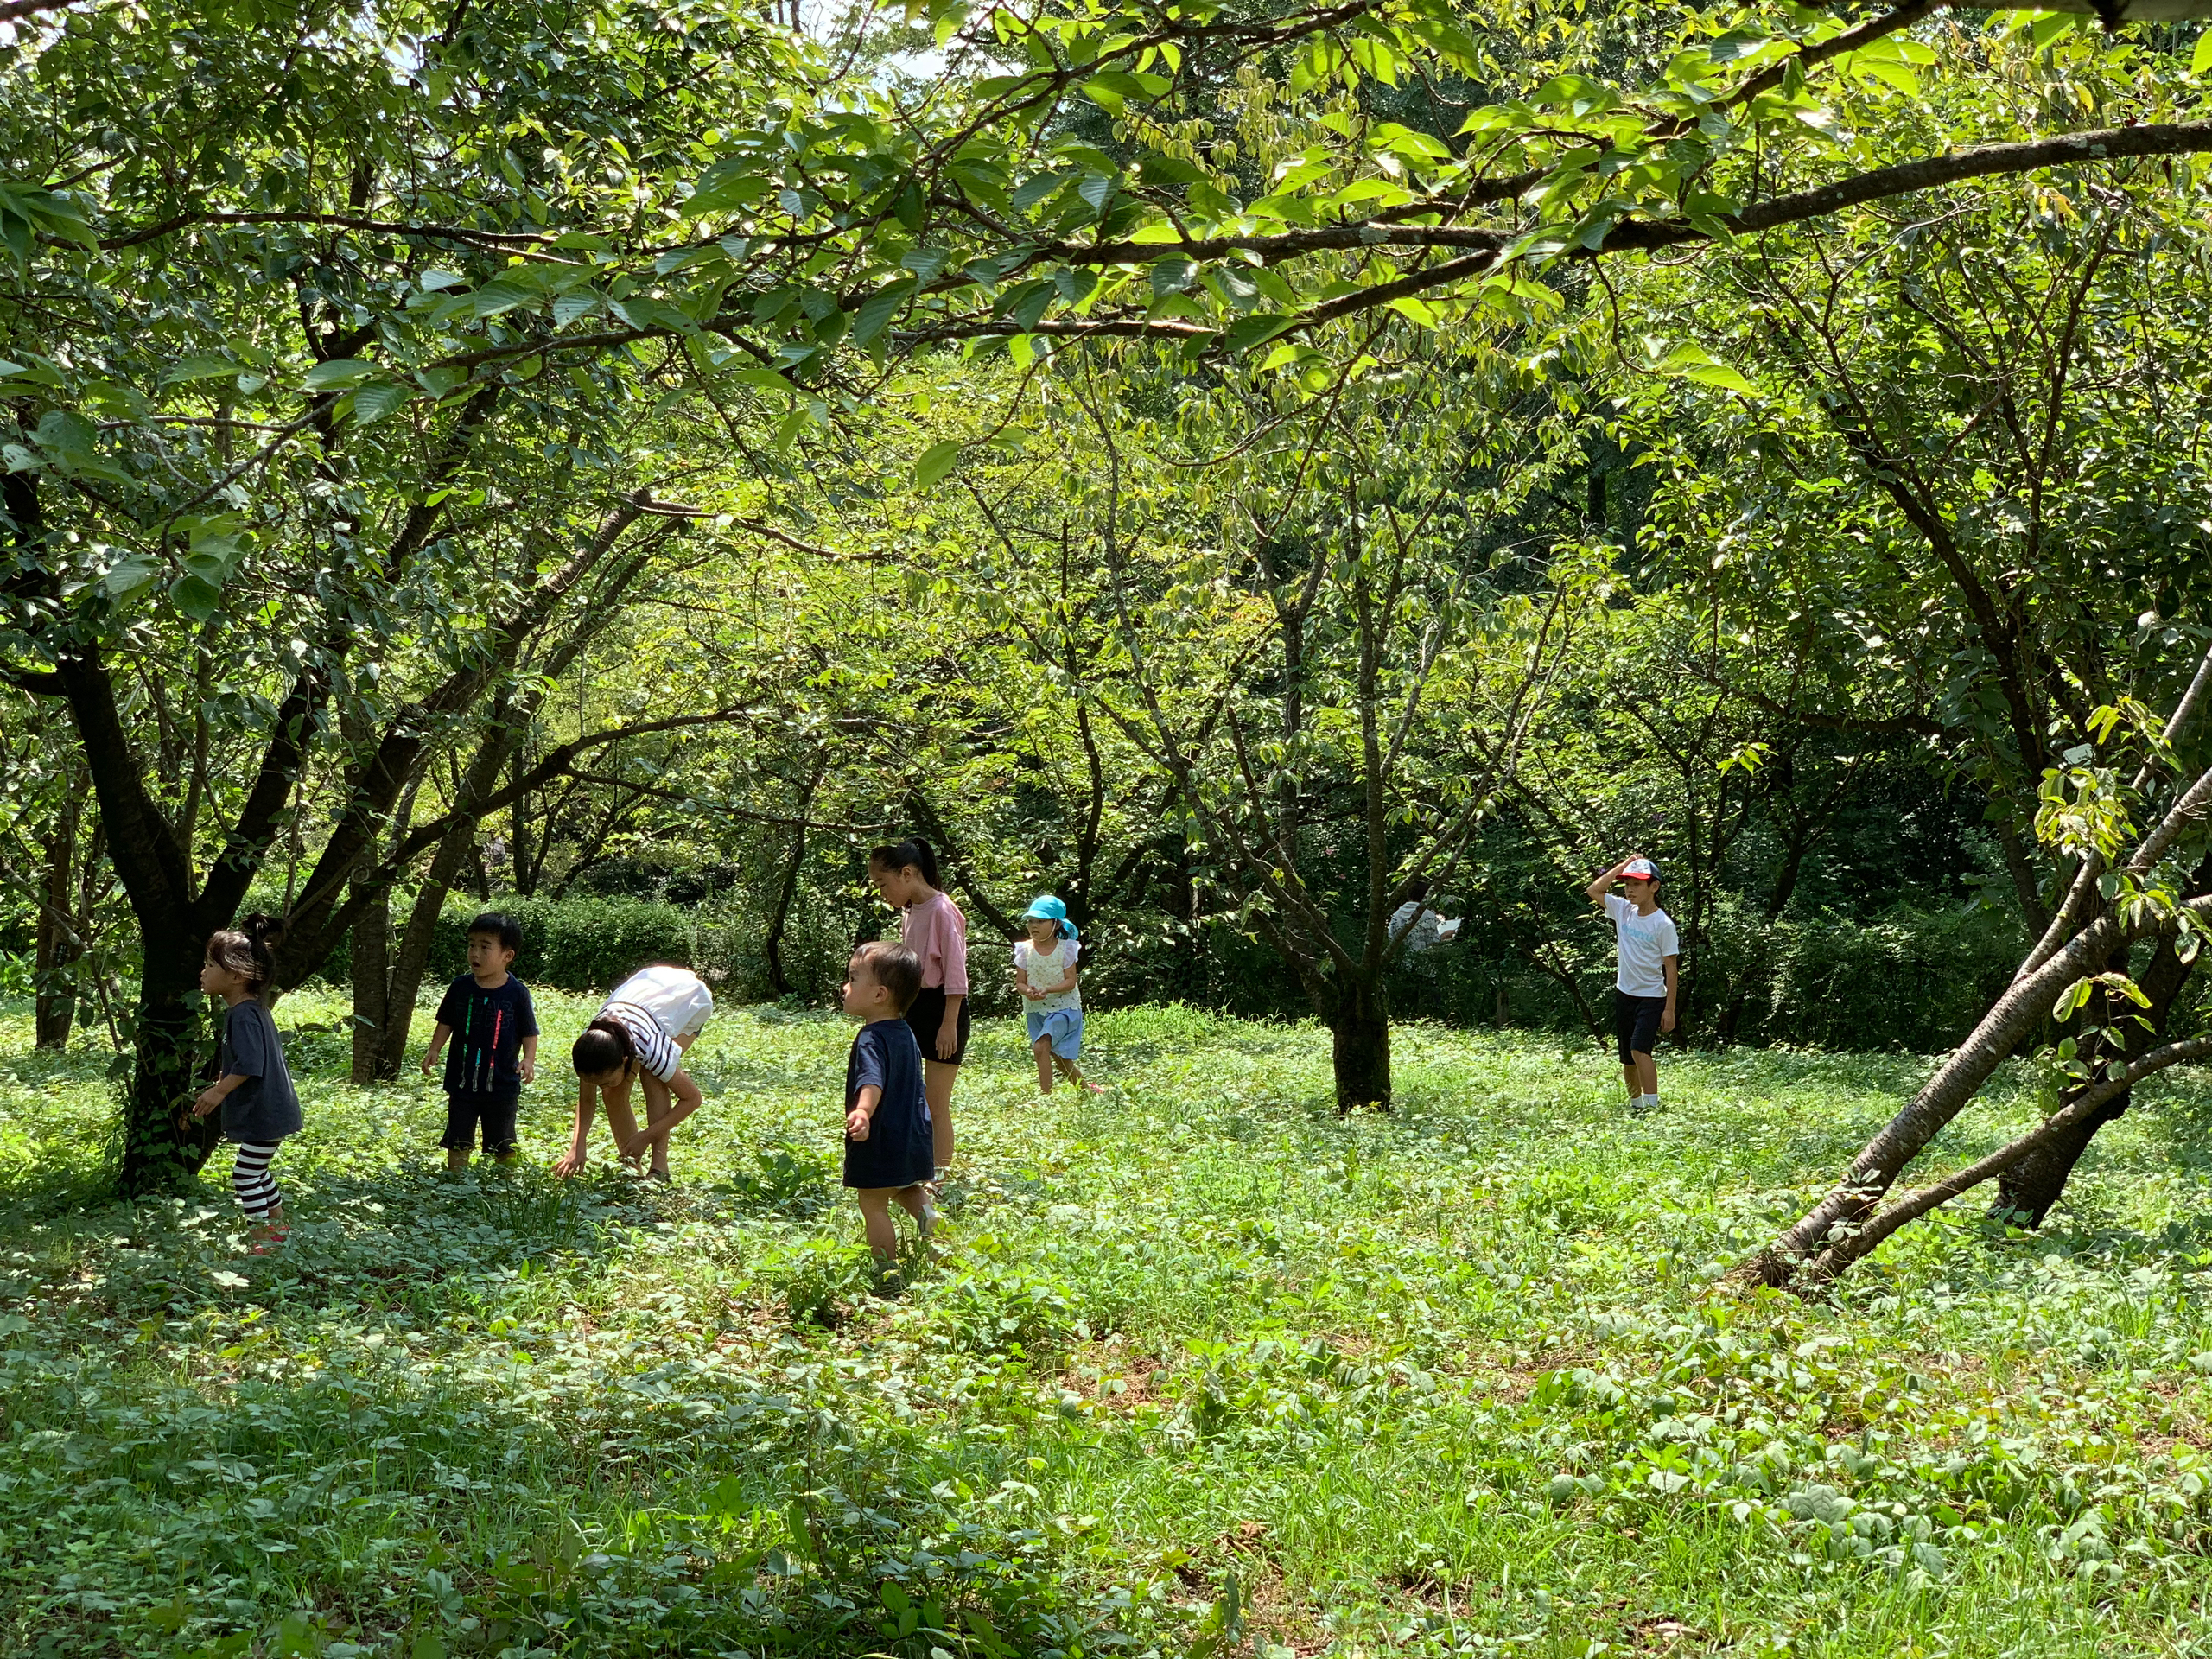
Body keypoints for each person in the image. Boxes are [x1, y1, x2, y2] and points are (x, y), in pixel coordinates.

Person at [186, 914, 302, 1249]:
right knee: (258, 1170)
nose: (203, 971)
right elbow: (247, 1059)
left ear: (236, 976)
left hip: (266, 1113)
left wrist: (218, 1091)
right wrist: (226, 1076)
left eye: (210, 965)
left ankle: (262, 1239)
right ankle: (277, 1227)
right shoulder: (250, 1010)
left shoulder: (242, 1014)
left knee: (245, 1176)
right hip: (273, 1111)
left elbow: (252, 1063)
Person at [555, 963, 713, 1181]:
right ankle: (631, 1170)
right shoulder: (592, 1045)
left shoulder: (650, 1048)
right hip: (647, 989)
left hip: (687, 998)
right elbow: (587, 1101)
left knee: (653, 1074)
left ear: (624, 1060)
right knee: (613, 1093)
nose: (601, 1087)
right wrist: (577, 1146)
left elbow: (693, 1099)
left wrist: (646, 1137)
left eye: (606, 1080)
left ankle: (659, 1169)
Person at [866, 838, 967, 1179]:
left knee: (936, 1103)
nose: (882, 893)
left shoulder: (942, 910)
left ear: (906, 874)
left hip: (944, 1011)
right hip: (913, 1008)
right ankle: (911, 1167)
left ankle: (940, 1176)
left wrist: (949, 1024)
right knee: (910, 1096)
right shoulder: (911, 911)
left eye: (883, 883)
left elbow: (955, 972)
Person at [839, 940, 934, 1283]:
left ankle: (886, 1271)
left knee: (873, 1205)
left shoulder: (870, 1037)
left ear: (879, 994)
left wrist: (863, 1112)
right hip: (913, 1136)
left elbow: (872, 1080)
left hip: (882, 1139)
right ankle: (936, 1236)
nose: (845, 987)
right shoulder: (905, 1033)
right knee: (909, 1188)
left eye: (852, 978)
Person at [418, 912, 539, 1171]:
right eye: (472, 945)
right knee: (458, 1138)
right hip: (462, 1080)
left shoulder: (517, 993)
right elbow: (446, 1021)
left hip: (502, 1083)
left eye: (485, 947)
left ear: (507, 956)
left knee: (504, 1140)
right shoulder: (460, 987)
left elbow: (530, 1030)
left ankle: (506, 1184)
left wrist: (529, 1060)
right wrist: (434, 1049)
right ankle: (456, 1179)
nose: (475, 953)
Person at [1584, 854, 1679, 1115]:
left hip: (1651, 998)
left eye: (1637, 884)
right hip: (1624, 994)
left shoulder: (1663, 924)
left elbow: (1671, 969)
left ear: (1654, 887)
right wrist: (1623, 866)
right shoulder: (1623, 910)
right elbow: (1594, 890)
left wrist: (1669, 1009)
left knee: (1640, 1049)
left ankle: (1653, 1106)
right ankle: (1636, 1107)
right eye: (1627, 883)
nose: (1629, 889)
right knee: (1626, 1056)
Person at [1014, 894, 1102, 1094]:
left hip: (1064, 1009)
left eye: (1041, 921)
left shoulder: (1066, 949)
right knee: (1060, 1058)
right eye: (1031, 921)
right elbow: (1020, 982)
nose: (1034, 926)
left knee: (1041, 1048)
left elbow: (1071, 982)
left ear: (1056, 924)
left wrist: (1048, 990)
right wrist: (1028, 992)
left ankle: (1045, 1096)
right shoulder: (1024, 950)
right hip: (1035, 1009)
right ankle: (1087, 1091)